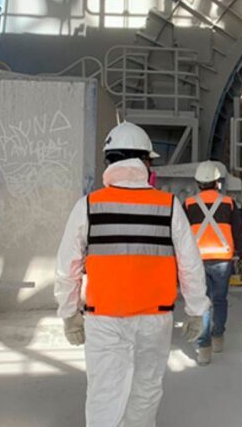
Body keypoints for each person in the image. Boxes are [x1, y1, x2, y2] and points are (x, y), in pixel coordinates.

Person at [55, 121, 210, 427]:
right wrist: (196, 310)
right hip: (155, 319)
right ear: (144, 162)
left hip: (104, 318)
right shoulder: (168, 206)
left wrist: (69, 313)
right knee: (146, 391)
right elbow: (190, 265)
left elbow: (67, 266)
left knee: (103, 393)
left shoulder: (88, 206)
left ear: (109, 162)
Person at [184, 161, 242, 366]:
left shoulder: (189, 204)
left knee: (202, 304)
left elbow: (182, 235)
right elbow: (239, 232)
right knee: (220, 300)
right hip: (222, 259)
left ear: (197, 183)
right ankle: (218, 336)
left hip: (198, 260)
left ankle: (204, 349)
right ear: (216, 182)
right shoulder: (229, 203)